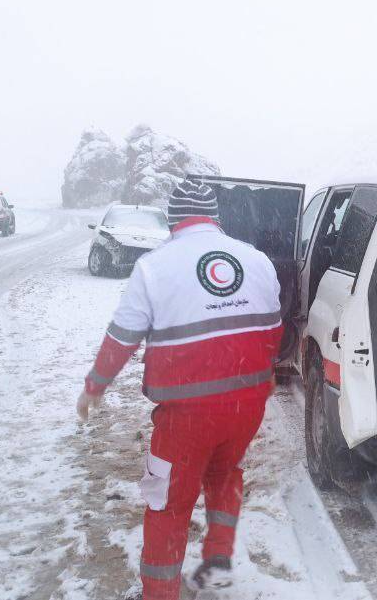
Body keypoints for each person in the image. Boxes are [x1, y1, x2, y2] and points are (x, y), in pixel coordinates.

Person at [77, 179, 283, 600]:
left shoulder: (155, 266)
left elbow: (122, 337)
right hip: (248, 403)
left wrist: (95, 386)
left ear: (173, 220)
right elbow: (274, 329)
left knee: (167, 502)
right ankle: (218, 564)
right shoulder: (257, 259)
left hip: (187, 416)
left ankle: (159, 592)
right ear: (215, 218)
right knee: (226, 476)